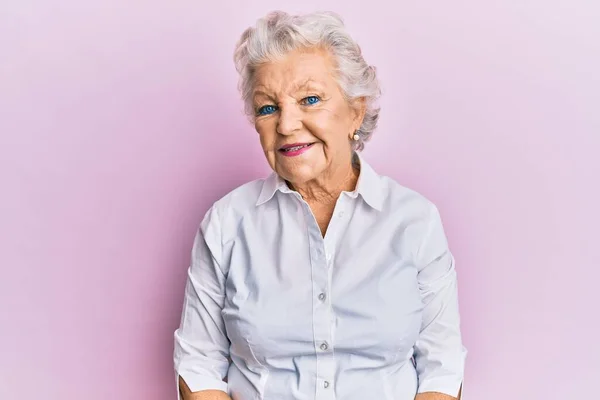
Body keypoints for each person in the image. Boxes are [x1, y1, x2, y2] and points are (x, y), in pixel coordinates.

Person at [174, 10, 467, 400]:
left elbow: (441, 370)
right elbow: (199, 365)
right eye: (267, 108)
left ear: (356, 111)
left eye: (310, 99)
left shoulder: (415, 221)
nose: (287, 124)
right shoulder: (227, 223)